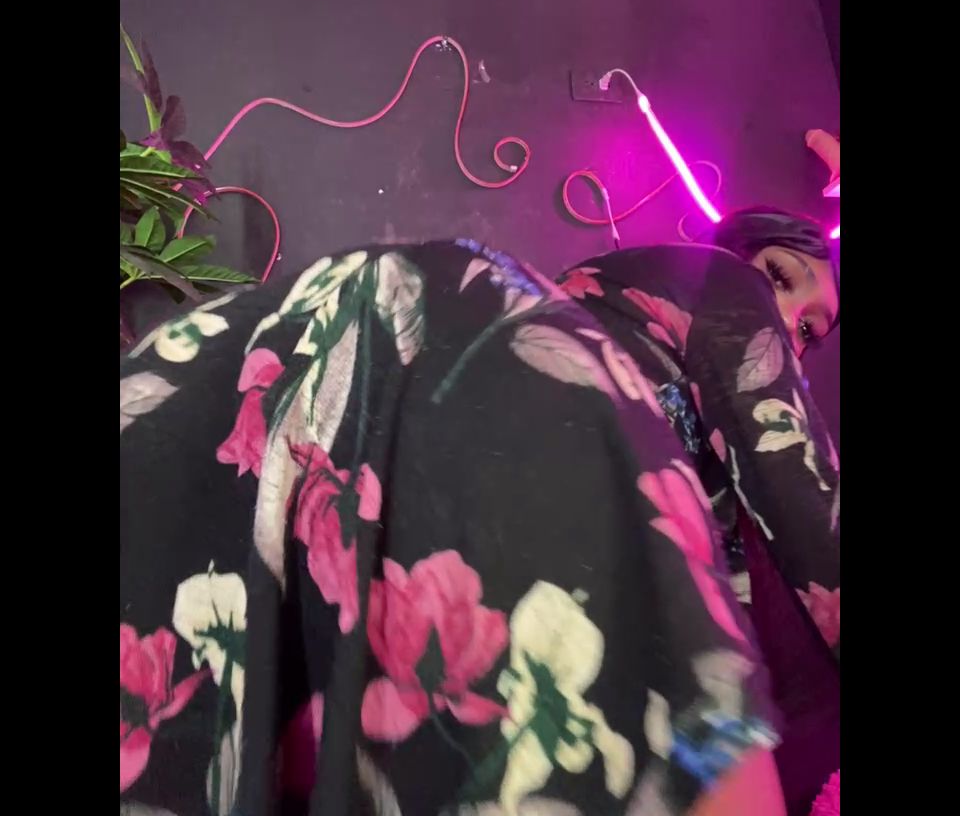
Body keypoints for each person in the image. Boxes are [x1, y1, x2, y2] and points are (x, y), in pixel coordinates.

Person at [119, 207, 839, 816]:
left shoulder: (670, 469)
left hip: (330, 396)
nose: (787, 320)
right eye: (782, 277)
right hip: (455, 384)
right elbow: (808, 507)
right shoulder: (720, 279)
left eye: (811, 331)